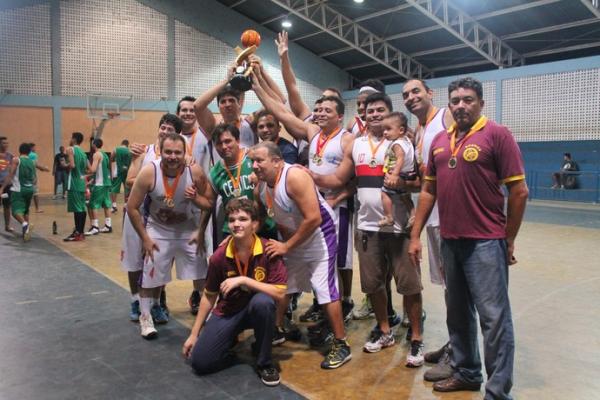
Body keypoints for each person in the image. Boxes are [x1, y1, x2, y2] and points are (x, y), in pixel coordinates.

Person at [409, 77, 528, 398]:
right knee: (457, 312)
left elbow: (519, 192)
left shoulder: (498, 135)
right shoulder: (439, 142)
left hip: (486, 243)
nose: (461, 105)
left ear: (481, 104)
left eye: (468, 100)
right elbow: (428, 191)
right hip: (450, 241)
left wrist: (509, 238)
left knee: (494, 320)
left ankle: (498, 391)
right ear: (449, 104)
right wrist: (415, 234)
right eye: (456, 100)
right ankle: (466, 372)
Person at [310, 92, 425, 367]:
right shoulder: (357, 144)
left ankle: (417, 338)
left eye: (380, 111)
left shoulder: (402, 144)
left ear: (389, 114)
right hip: (366, 226)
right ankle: (385, 331)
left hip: (398, 227)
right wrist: (305, 174)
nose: (374, 114)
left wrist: (402, 185)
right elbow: (341, 179)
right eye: (370, 110)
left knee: (409, 286)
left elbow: (421, 183)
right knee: (373, 286)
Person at [250, 141, 352, 369]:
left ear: (277, 161)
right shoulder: (264, 184)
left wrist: (286, 246)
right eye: (252, 161)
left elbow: (314, 218)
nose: (254, 166)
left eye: (259, 160)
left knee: (324, 288)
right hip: (295, 238)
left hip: (319, 237)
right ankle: (275, 330)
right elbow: (272, 212)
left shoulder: (294, 176)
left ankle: (341, 344)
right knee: (283, 285)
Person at [182, 198, 287, 387]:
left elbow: (280, 293)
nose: (236, 224)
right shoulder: (219, 257)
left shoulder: (268, 250)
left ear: (255, 224)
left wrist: (244, 280)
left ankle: (264, 362)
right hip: (229, 311)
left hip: (256, 310)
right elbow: (209, 295)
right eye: (231, 220)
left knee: (264, 302)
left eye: (243, 219)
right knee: (200, 363)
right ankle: (229, 341)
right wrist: (194, 333)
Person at [127, 133, 213, 339]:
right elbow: (132, 208)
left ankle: (209, 317)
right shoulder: (149, 172)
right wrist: (145, 238)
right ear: (160, 151)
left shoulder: (195, 171)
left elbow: (209, 204)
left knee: (202, 275)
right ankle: (145, 316)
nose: (173, 156)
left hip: (188, 230)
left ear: (185, 153)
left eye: (178, 152)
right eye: (168, 152)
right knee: (149, 275)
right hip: (158, 230)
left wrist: (200, 231)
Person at [402, 78, 455, 382]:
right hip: (433, 218)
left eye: (416, 92)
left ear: (430, 94)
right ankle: (455, 343)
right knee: (450, 288)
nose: (410, 97)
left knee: (458, 289)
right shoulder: (419, 132)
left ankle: (459, 353)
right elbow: (426, 182)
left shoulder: (444, 116)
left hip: (450, 218)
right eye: (406, 95)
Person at [121, 113, 182, 322]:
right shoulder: (143, 151)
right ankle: (135, 300)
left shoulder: (177, 156)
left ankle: (156, 303)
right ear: (158, 129)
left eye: (171, 130)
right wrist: (150, 181)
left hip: (161, 215)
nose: (165, 131)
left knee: (160, 259)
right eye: (163, 127)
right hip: (138, 211)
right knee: (134, 259)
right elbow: (129, 179)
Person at [177, 95, 217, 315]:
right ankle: (196, 291)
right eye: (183, 110)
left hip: (204, 200)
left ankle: (207, 295)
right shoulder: (173, 139)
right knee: (191, 252)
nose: (188, 113)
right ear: (178, 113)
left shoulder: (205, 133)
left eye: (192, 110)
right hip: (180, 203)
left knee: (206, 248)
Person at [378, 112, 415, 228]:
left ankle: (389, 216)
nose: (385, 132)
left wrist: (394, 174)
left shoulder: (397, 144)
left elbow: (400, 158)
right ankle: (413, 215)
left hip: (399, 174)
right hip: (408, 174)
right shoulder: (406, 141)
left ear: (401, 130)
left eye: (388, 129)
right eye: (383, 129)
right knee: (405, 196)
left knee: (384, 193)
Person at [0, 143, 36, 241]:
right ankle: (26, 232)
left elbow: (10, 175)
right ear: (29, 152)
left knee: (15, 212)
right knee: (25, 211)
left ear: (20, 150)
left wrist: (2, 188)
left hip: (19, 189)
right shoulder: (31, 162)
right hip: (30, 189)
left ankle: (25, 225)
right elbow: (34, 179)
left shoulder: (16, 160)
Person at [63, 132, 90, 242]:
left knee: (77, 209)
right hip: (82, 183)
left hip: (74, 183)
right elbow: (90, 170)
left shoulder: (70, 149)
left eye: (71, 137)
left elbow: (72, 165)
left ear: (74, 139)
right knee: (81, 208)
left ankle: (78, 233)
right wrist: (83, 174)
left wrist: (65, 165)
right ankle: (80, 232)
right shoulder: (83, 154)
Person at [85, 139, 113, 235]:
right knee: (106, 204)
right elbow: (105, 169)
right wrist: (92, 180)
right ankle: (108, 225)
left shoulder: (96, 154)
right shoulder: (105, 155)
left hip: (100, 184)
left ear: (94, 144)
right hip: (106, 183)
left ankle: (95, 227)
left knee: (92, 204)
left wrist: (86, 162)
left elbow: (93, 169)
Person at [110, 139, 132, 212]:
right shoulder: (129, 151)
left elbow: (111, 158)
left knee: (114, 188)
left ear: (121, 143)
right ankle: (126, 205)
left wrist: (112, 168)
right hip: (127, 171)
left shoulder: (116, 149)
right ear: (127, 145)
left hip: (117, 171)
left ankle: (114, 205)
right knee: (127, 188)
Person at [0, 137, 14, 232]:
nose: (6, 145)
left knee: (7, 206)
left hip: (7, 185)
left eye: (7, 143)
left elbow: (12, 170)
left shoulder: (10, 156)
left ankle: (7, 226)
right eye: (4, 143)